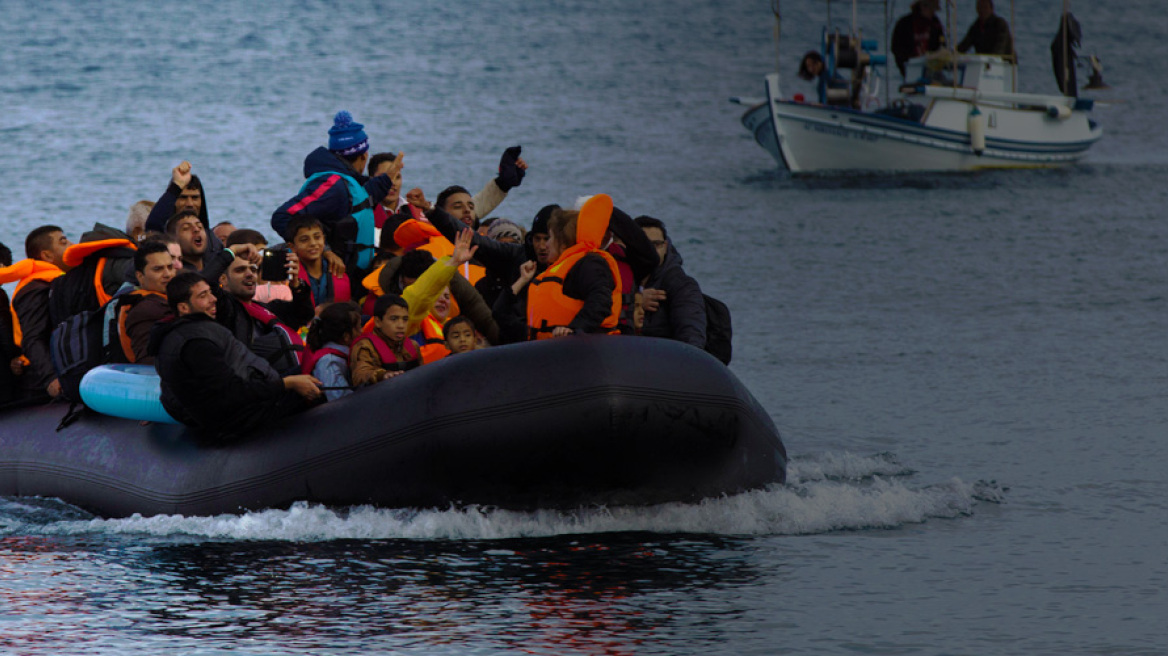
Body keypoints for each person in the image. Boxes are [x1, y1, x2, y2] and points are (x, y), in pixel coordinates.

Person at [149, 271, 322, 439]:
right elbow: (230, 393)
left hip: (252, 399)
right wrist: (287, 384)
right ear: (184, 308)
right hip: (243, 420)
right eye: (203, 296)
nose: (213, 299)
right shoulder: (195, 343)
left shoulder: (189, 332)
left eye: (210, 292)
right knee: (317, 388)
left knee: (313, 368)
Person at [270, 111, 399, 273]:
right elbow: (282, 217)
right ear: (363, 157)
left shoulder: (346, 183)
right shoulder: (331, 184)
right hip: (334, 275)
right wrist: (325, 250)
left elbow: (358, 203)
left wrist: (386, 180)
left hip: (352, 273)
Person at [201, 241, 313, 375]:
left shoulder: (268, 308)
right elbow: (203, 282)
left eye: (253, 269)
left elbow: (304, 314)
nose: (250, 274)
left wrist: (296, 284)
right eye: (240, 270)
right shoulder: (226, 309)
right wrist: (231, 251)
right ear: (223, 280)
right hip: (266, 387)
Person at [526, 195, 621, 339]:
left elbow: (601, 301)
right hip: (550, 350)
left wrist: (575, 329)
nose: (546, 245)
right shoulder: (563, 267)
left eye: (550, 238)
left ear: (563, 242)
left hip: (586, 350)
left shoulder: (589, 264)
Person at [0, 226, 72, 399]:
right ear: (46, 255)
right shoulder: (35, 289)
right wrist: (50, 378)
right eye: (63, 242)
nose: (71, 245)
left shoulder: (57, 282)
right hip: (39, 383)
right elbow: (32, 338)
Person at [634, 216, 708, 349]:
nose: (651, 250)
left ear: (665, 246)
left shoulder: (682, 285)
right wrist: (635, 300)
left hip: (664, 362)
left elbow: (692, 335)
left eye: (656, 244)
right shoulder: (619, 278)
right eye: (644, 243)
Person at [143, 161, 226, 257]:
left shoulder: (214, 242)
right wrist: (177, 186)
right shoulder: (164, 237)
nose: (190, 204)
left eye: (195, 198)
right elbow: (153, 226)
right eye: (183, 197)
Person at [117, 241, 177, 364]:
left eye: (170, 267)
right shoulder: (144, 311)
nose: (167, 274)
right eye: (158, 269)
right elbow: (146, 361)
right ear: (140, 276)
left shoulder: (164, 299)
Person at [349, 294, 421, 386]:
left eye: (405, 319)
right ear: (378, 322)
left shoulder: (413, 345)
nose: (401, 325)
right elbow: (360, 375)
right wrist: (382, 375)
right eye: (394, 319)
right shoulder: (365, 346)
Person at [303, 301, 362, 402]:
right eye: (358, 327)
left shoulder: (342, 355)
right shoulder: (329, 362)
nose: (362, 331)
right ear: (346, 337)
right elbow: (341, 400)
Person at [288, 215, 351, 306]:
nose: (313, 243)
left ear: (324, 240)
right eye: (304, 240)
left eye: (317, 237)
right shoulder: (290, 276)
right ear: (292, 247)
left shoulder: (338, 271)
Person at [891, 0, 946, 78]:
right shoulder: (904, 24)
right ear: (922, 7)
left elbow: (942, 45)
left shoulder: (935, 24)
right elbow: (896, 48)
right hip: (911, 68)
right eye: (931, 9)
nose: (933, 13)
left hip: (932, 69)